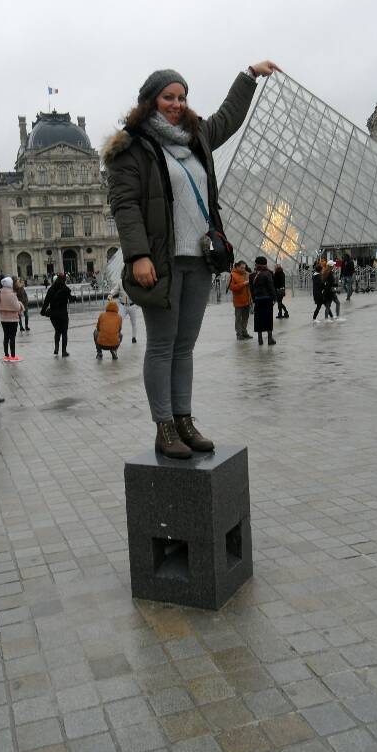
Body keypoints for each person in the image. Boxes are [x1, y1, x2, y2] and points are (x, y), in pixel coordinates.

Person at [104, 59, 280, 458]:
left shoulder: (195, 138)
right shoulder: (131, 148)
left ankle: (184, 419)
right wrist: (138, 256)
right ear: (150, 101)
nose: (177, 104)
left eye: (182, 97)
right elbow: (125, 206)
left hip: (200, 260)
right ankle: (163, 426)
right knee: (163, 345)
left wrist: (249, 76)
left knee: (185, 347)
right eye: (169, 96)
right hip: (162, 263)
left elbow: (228, 118)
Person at [40, 273, 75, 356]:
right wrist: (75, 298)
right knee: (64, 332)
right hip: (63, 314)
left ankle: (56, 348)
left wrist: (43, 311)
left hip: (53, 315)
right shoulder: (65, 289)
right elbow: (71, 299)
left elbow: (46, 301)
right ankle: (64, 351)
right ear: (64, 280)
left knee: (57, 331)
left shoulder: (51, 289)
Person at [250, 255, 277, 345]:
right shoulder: (268, 273)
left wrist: (254, 299)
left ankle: (260, 339)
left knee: (258, 319)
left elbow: (251, 289)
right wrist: (274, 298)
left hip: (258, 299)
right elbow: (271, 287)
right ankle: (270, 338)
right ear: (264, 263)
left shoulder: (252, 275)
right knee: (268, 318)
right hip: (267, 299)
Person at [0, 277, 23, 360]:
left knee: (6, 337)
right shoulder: (12, 293)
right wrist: (20, 304)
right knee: (12, 337)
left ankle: (6, 355)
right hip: (13, 319)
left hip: (3, 319)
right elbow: (17, 307)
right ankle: (13, 356)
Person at [109, 277, 139, 343]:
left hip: (132, 305)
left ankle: (134, 337)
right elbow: (115, 289)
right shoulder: (120, 282)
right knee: (119, 321)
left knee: (134, 323)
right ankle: (117, 336)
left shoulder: (133, 282)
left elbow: (138, 291)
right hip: (123, 306)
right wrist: (111, 294)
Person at [228, 261, 252, 339]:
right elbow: (232, 287)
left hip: (247, 300)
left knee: (246, 317)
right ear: (237, 267)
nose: (243, 269)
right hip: (238, 301)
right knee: (238, 318)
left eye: (244, 268)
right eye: (241, 268)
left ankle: (244, 332)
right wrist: (244, 283)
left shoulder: (247, 274)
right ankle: (239, 334)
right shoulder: (232, 275)